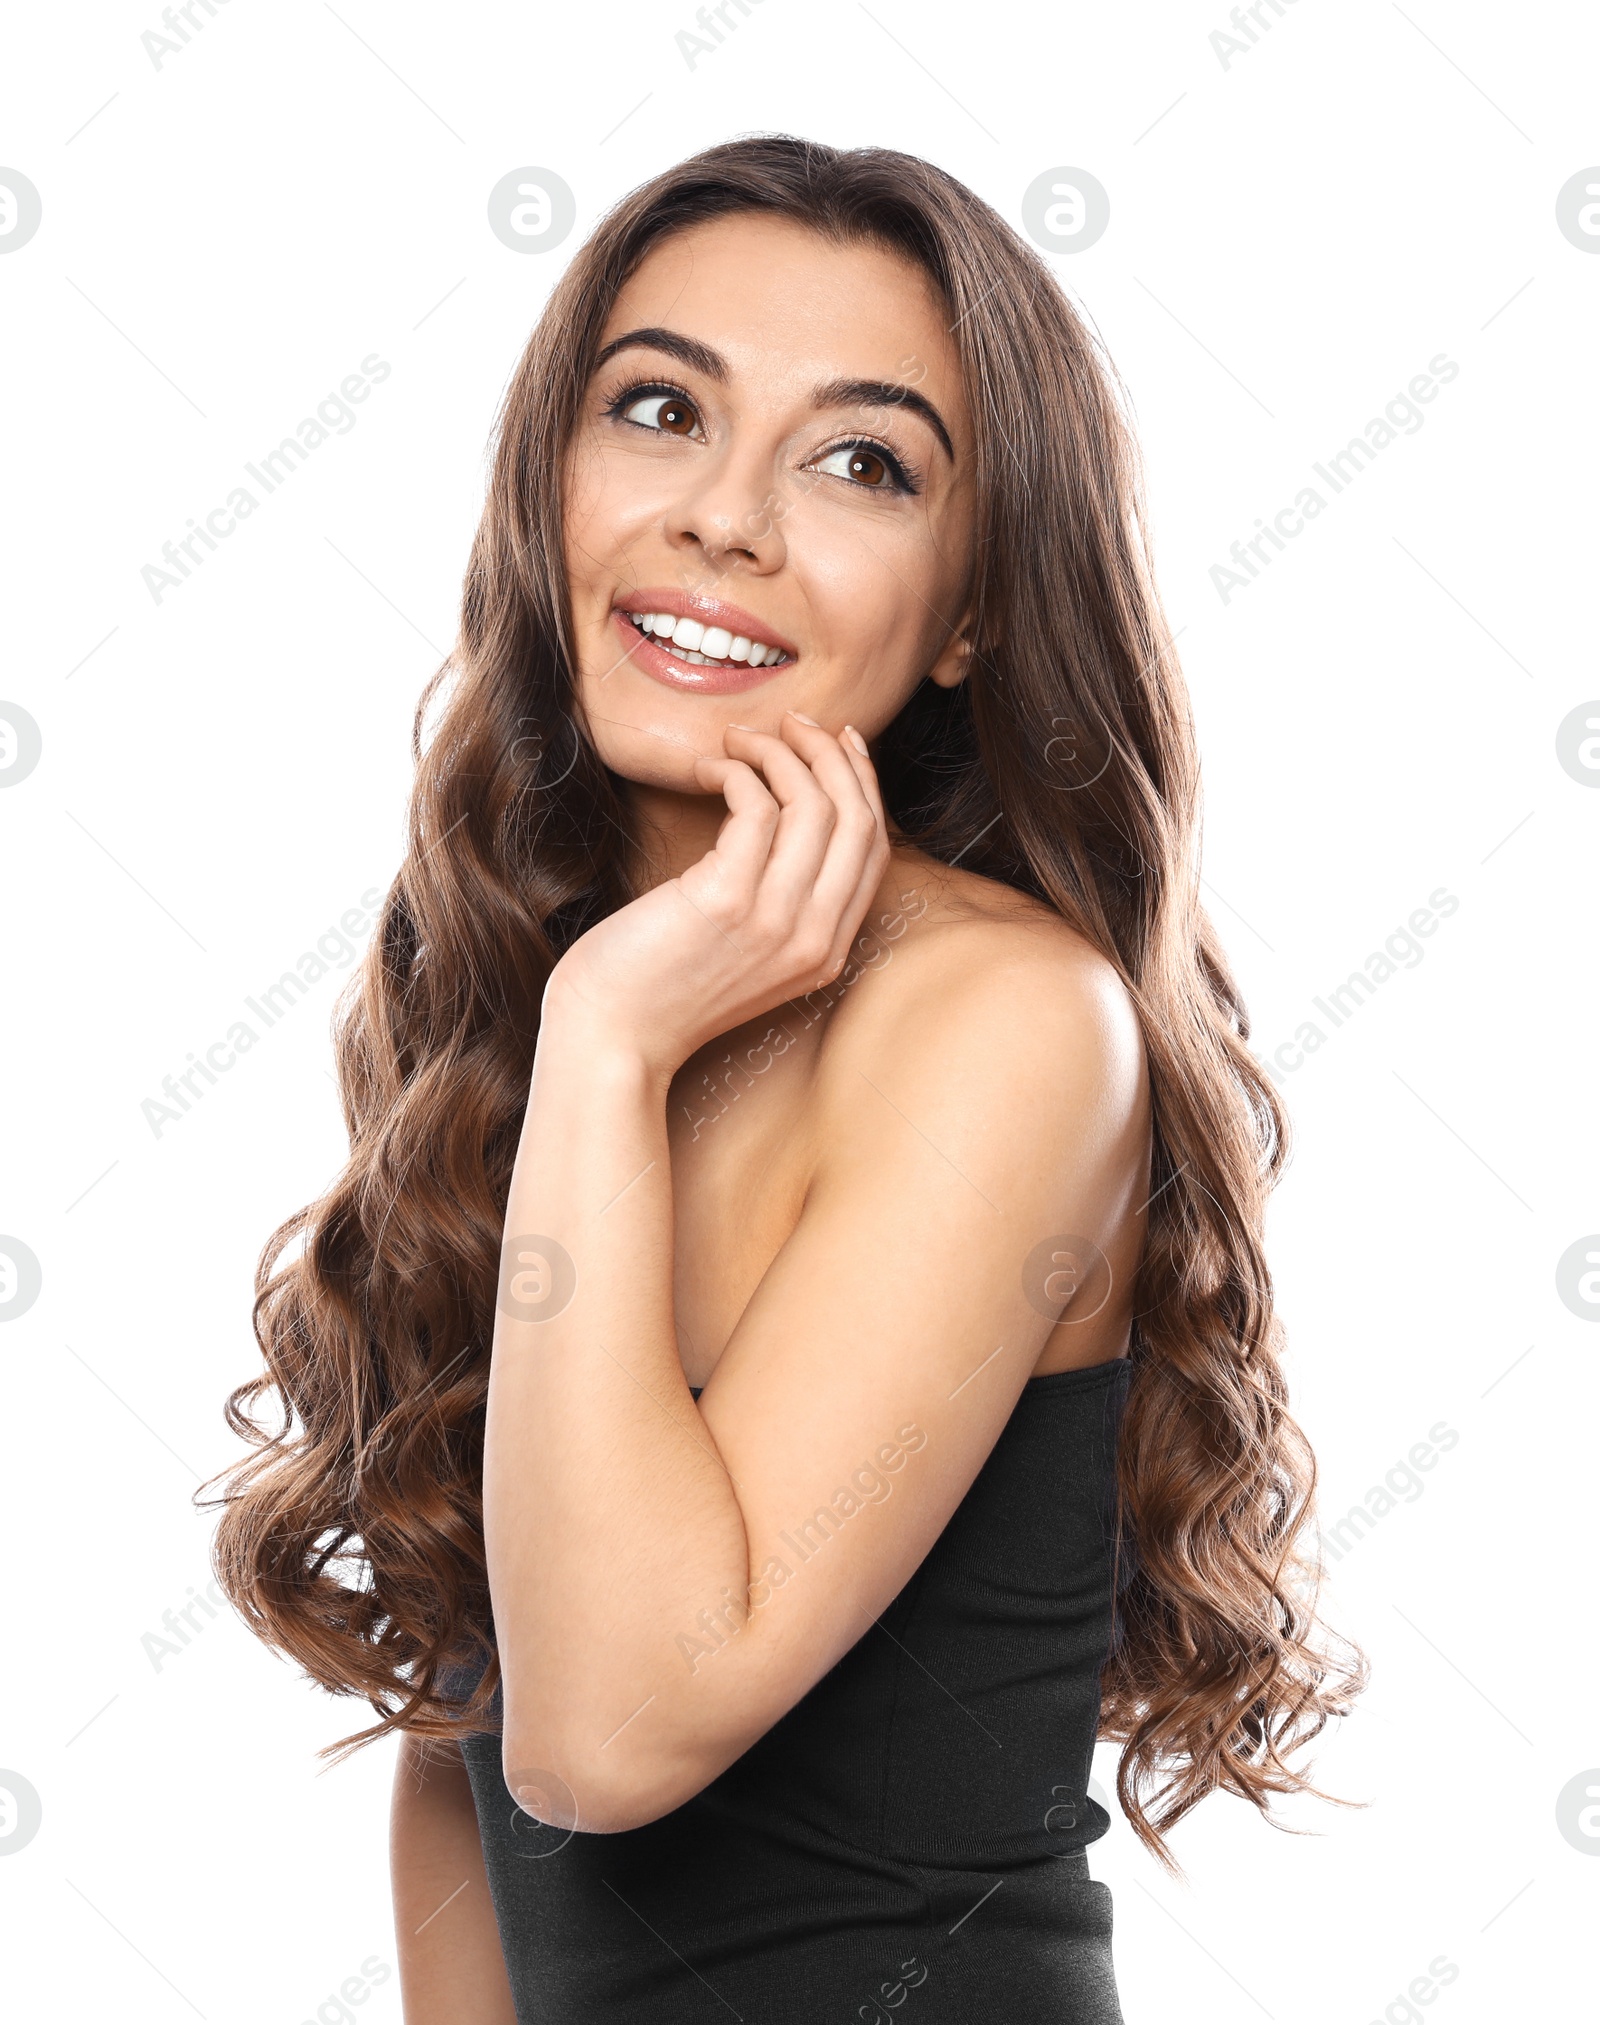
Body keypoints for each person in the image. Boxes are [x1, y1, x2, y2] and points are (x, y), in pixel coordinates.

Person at [207, 136, 1366, 2023]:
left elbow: (614, 1731)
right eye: (660, 409)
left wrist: (606, 1042)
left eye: (860, 461)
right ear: (549, 491)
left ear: (973, 609)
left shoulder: (1002, 1019)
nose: (725, 518)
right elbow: (473, 1715)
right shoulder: (560, 998)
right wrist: (597, 1029)